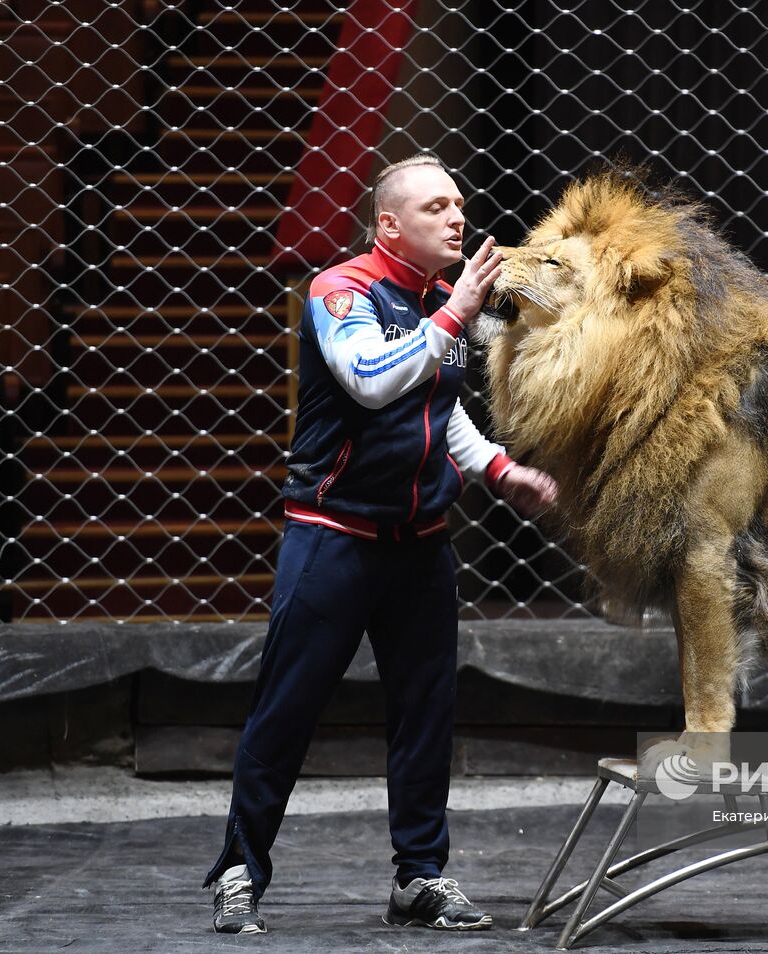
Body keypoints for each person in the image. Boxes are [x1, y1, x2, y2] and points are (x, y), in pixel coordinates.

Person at [203, 153, 557, 934]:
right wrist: (456, 316)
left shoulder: (443, 304)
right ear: (389, 225)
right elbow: (368, 377)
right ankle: (239, 870)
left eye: (460, 204)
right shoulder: (342, 289)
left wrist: (498, 471)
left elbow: (436, 406)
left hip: (422, 545)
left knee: (427, 717)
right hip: (333, 540)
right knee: (285, 713)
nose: (457, 218)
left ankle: (420, 878)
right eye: (436, 208)